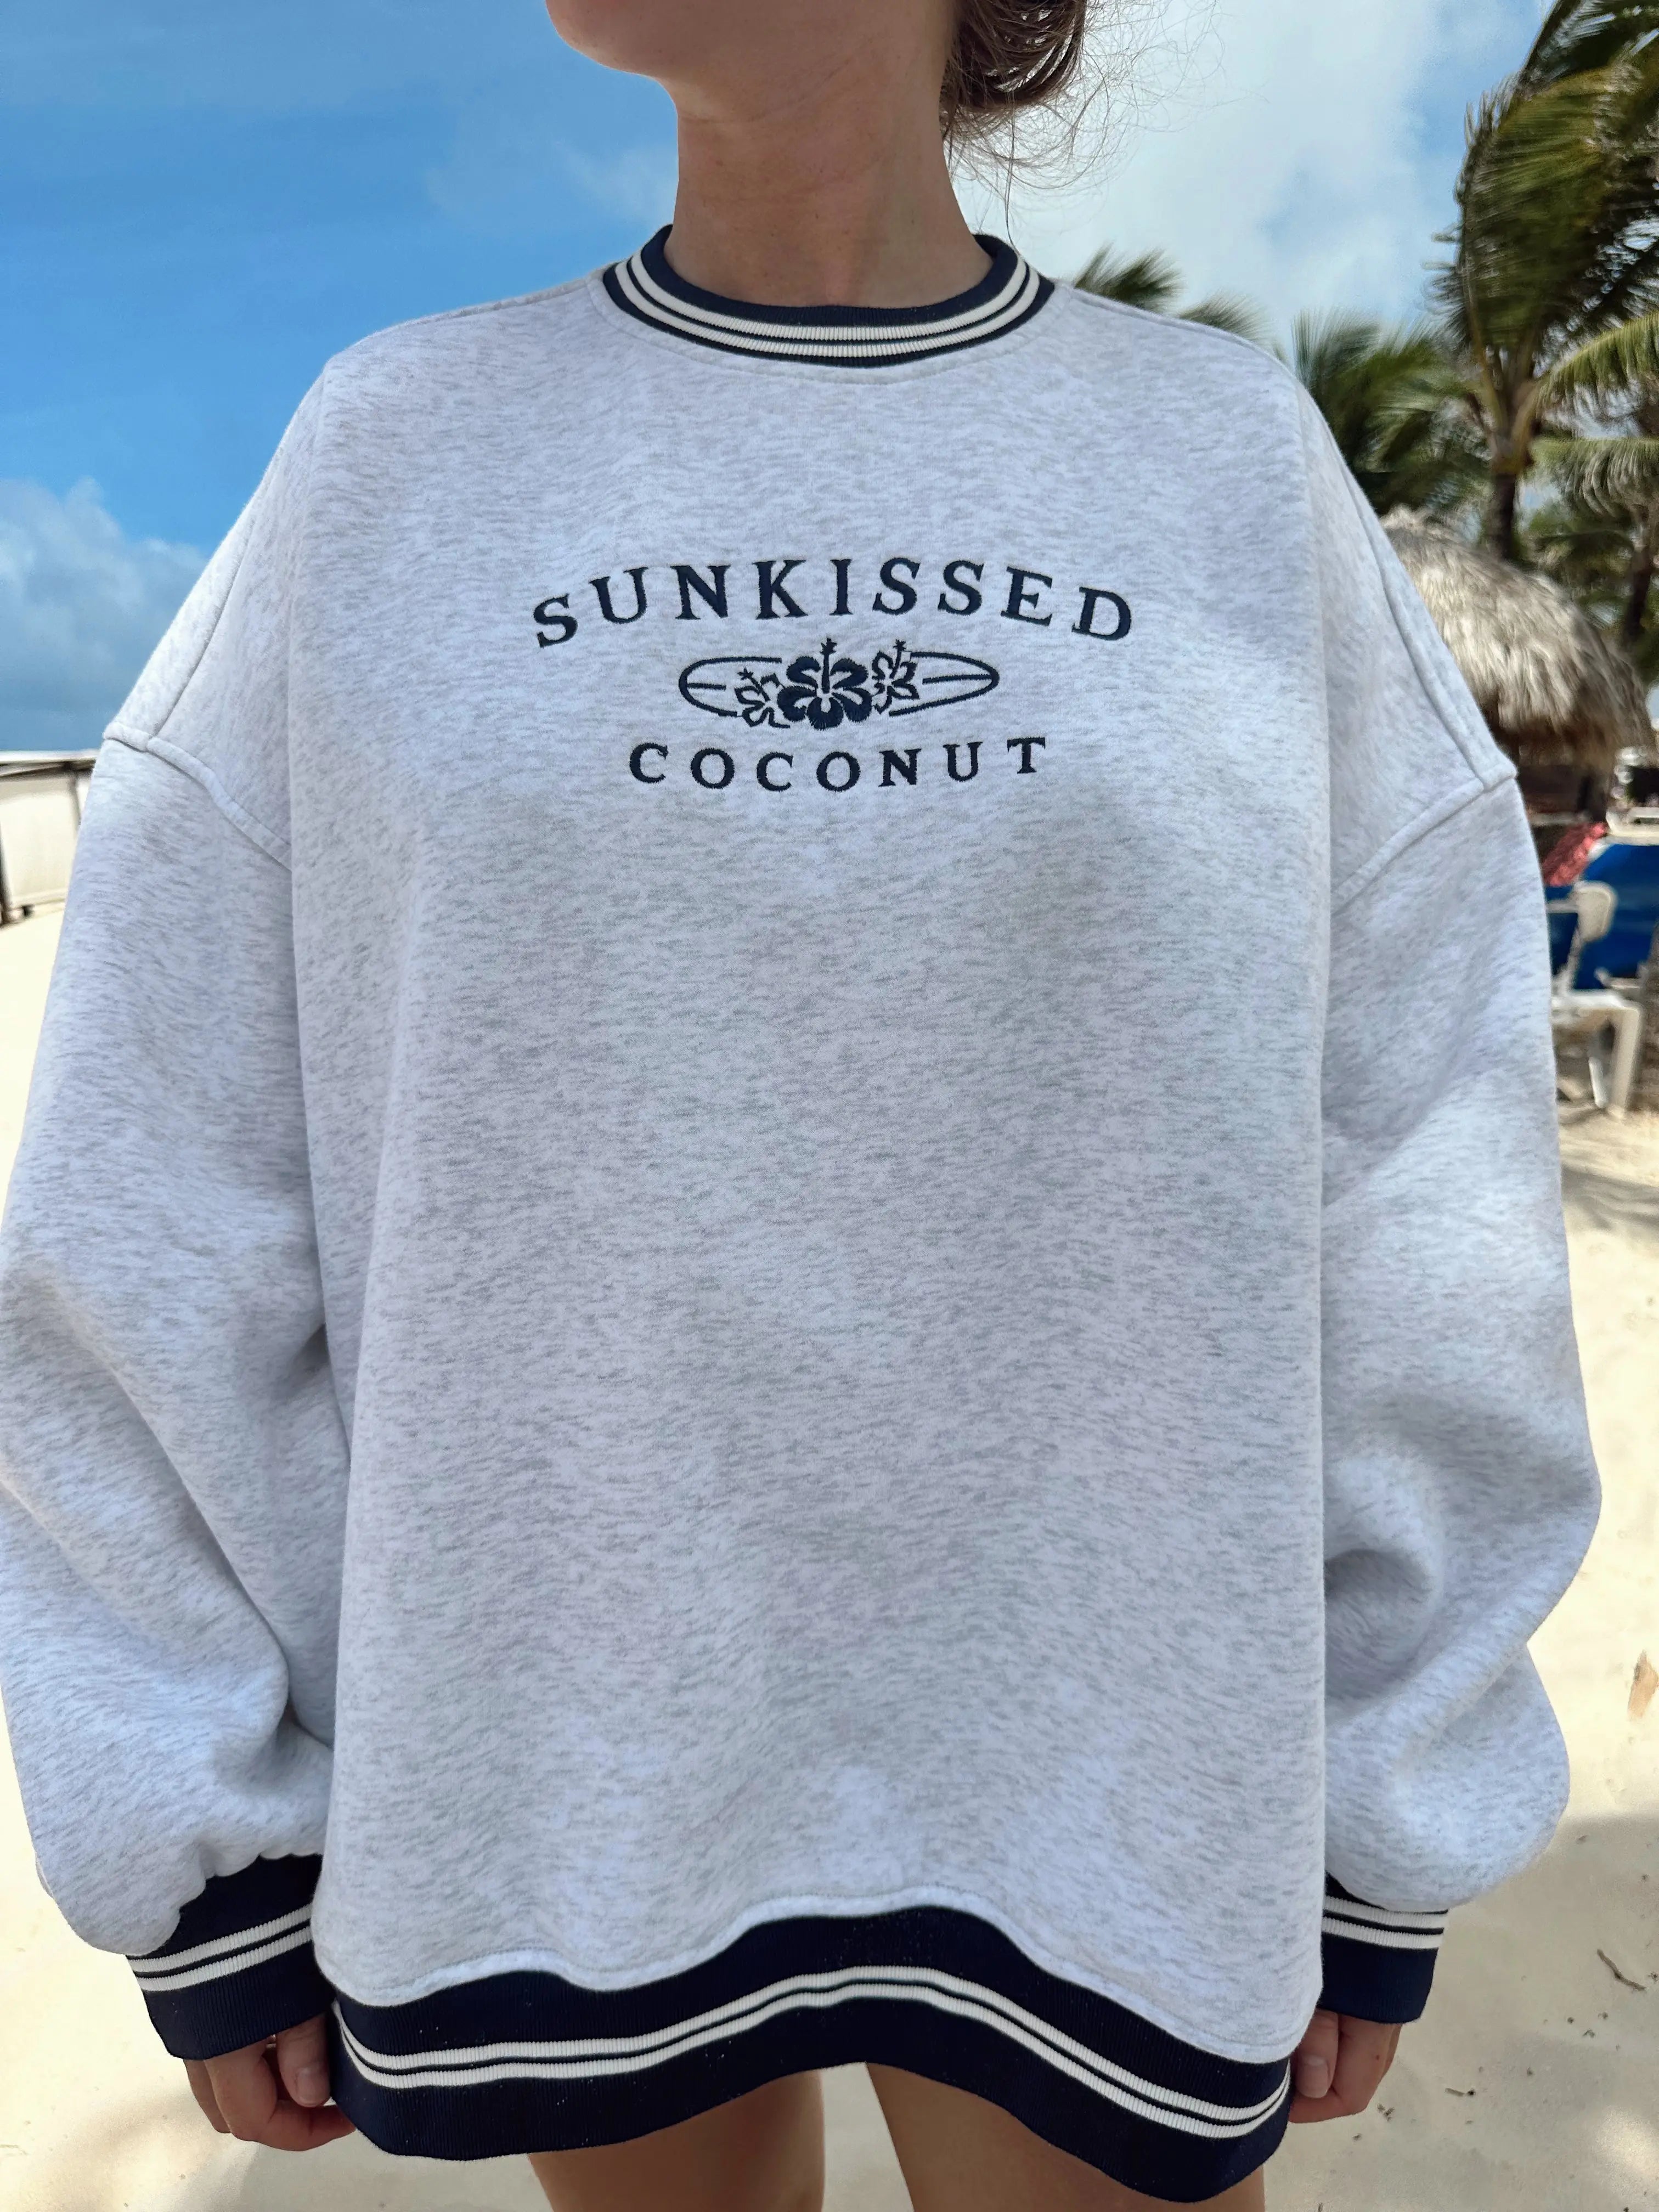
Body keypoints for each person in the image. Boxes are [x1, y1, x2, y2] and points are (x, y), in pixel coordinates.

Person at [0, 1, 1600, 2207]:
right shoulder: (397, 454)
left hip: (1117, 1775)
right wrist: (200, 1812)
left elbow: (1417, 1146)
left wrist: (1387, 1781)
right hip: (567, 1760)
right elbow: (172, 1150)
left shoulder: (1223, 460)